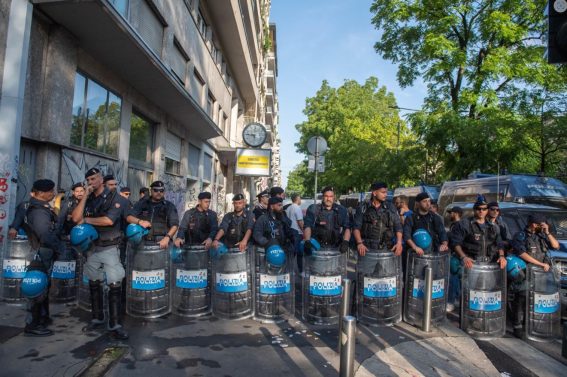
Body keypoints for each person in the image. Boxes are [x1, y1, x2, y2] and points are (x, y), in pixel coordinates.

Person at [71, 168, 128, 340]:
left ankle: (115, 324)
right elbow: (75, 219)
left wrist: (87, 220)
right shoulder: (87, 199)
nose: (91, 182)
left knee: (114, 285)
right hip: (92, 248)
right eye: (88, 179)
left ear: (101, 179)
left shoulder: (114, 197)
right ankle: (97, 318)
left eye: (94, 178)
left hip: (110, 247)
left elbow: (109, 220)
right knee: (94, 284)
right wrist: (85, 197)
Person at [21, 179, 64, 336]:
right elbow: (45, 235)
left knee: (43, 285)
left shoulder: (39, 207)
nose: (53, 194)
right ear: (42, 193)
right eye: (51, 191)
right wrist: (60, 248)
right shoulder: (39, 211)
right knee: (37, 287)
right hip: (41, 252)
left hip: (41, 251)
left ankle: (43, 318)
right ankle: (32, 324)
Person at [509, 213, 560, 337]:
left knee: (534, 301)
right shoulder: (521, 236)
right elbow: (521, 253)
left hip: (541, 275)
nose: (543, 226)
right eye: (541, 224)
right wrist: (541, 264)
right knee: (521, 300)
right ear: (534, 224)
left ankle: (529, 325)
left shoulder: (541, 236)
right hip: (525, 273)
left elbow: (556, 246)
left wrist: (547, 232)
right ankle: (517, 326)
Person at [451, 196, 507, 271]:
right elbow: (456, 243)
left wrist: (501, 256)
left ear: (487, 210)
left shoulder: (494, 227)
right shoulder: (464, 224)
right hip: (471, 265)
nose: (481, 211)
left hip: (489, 266)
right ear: (474, 210)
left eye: (484, 209)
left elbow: (499, 244)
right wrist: (464, 257)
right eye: (478, 208)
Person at [353, 182, 402, 257]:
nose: (385, 195)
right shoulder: (363, 207)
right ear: (374, 193)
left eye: (386, 192)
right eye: (383, 192)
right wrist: (359, 243)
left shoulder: (390, 207)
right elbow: (356, 227)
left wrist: (399, 243)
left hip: (386, 249)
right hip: (367, 250)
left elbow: (398, 226)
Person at [127, 181, 179, 249]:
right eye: (156, 190)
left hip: (162, 242)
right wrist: (140, 221)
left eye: (161, 190)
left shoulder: (169, 206)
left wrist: (167, 238)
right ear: (151, 190)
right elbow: (129, 217)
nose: (159, 192)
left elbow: (175, 225)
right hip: (142, 241)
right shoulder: (141, 204)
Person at [303, 186, 351, 255]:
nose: (328, 199)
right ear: (322, 197)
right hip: (317, 248)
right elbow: (307, 226)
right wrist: (307, 241)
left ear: (334, 197)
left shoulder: (341, 210)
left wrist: (346, 241)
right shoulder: (313, 209)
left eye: (331, 196)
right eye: (326, 196)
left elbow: (347, 227)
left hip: (336, 249)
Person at [447, 206, 463, 311]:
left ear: (456, 213)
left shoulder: (458, 226)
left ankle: (451, 301)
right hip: (455, 254)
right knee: (455, 278)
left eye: (451, 213)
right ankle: (456, 299)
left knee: (453, 278)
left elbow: (456, 242)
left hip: (456, 255)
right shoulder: (454, 225)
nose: (449, 215)